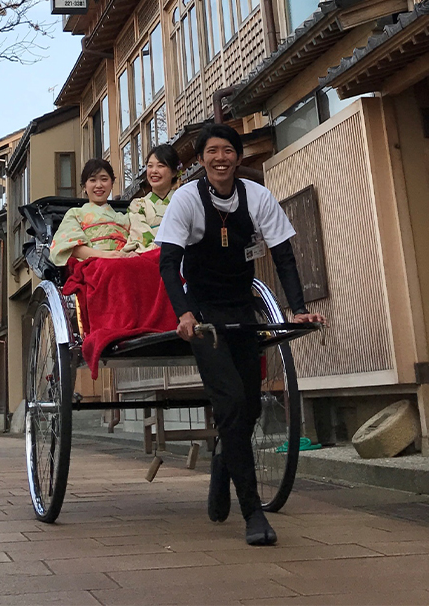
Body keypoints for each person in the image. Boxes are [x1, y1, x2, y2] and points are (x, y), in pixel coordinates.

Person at [156, 123, 326, 546]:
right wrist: (185, 314)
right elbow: (168, 263)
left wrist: (299, 309)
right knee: (230, 404)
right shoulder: (187, 199)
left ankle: (220, 462)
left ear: (238, 156)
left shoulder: (257, 196)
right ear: (200, 160)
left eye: (228, 151)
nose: (220, 158)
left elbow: (284, 254)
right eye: (211, 151)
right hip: (205, 314)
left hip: (243, 308)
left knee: (248, 408)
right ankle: (253, 513)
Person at [50, 159, 147, 266]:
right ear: (84, 187)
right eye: (92, 180)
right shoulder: (75, 214)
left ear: (112, 183)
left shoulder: (126, 218)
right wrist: (103, 255)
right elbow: (67, 246)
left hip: (122, 263)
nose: (99, 185)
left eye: (104, 179)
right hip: (91, 266)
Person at [127, 144, 180, 247]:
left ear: (173, 172)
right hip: (149, 254)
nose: (154, 171)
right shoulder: (138, 205)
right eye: (150, 166)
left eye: (160, 166)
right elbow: (139, 236)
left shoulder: (183, 202)